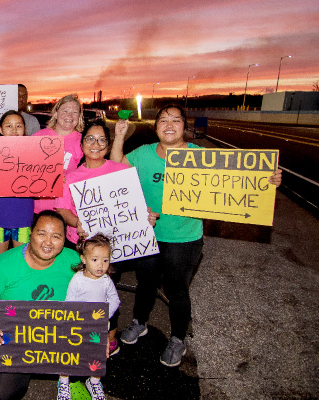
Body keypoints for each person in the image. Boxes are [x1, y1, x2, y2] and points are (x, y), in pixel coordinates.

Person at [110, 104, 283, 367]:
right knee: (146, 283)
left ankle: (178, 338)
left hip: (184, 238)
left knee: (177, 290)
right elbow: (113, 168)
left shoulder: (201, 157)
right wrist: (120, 136)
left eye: (175, 120)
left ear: (184, 127)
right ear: (155, 127)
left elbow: (236, 181)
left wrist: (266, 180)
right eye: (163, 120)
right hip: (145, 235)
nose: (169, 125)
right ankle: (139, 321)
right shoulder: (143, 154)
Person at [54, 120, 156, 356]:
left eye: (101, 139)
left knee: (105, 291)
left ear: (108, 145)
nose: (96, 144)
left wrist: (146, 217)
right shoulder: (71, 176)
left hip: (114, 247)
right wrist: (77, 223)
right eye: (90, 138)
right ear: (82, 144)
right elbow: (63, 209)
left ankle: (110, 335)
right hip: (80, 244)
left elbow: (134, 205)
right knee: (81, 291)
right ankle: (80, 334)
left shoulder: (121, 171)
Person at [0, 210, 81, 400]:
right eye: (42, 233)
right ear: (31, 233)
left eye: (56, 236)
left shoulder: (73, 260)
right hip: (12, 332)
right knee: (1, 393)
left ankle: (69, 379)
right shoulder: (4, 263)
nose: (48, 242)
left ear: (64, 239)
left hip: (55, 331)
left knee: (89, 355)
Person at [57, 233, 120, 400]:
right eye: (95, 260)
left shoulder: (106, 280)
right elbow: (69, 302)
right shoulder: (78, 280)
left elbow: (114, 299)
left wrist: (104, 317)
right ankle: (63, 382)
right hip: (77, 324)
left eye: (105, 260)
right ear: (83, 259)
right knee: (69, 354)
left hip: (97, 327)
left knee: (97, 354)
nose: (101, 265)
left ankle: (94, 381)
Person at [0, 111, 35, 257]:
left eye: (18, 126)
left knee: (22, 262)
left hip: (23, 218)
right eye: (9, 126)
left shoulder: (34, 153)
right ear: (0, 129)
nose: (14, 130)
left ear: (24, 128)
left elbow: (41, 181)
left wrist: (53, 179)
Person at [33, 94, 85, 213]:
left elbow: (86, 174)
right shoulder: (38, 136)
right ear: (56, 113)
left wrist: (67, 180)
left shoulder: (83, 142)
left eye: (75, 112)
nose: (69, 116)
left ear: (80, 116)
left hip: (64, 209)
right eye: (65, 110)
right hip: (36, 207)